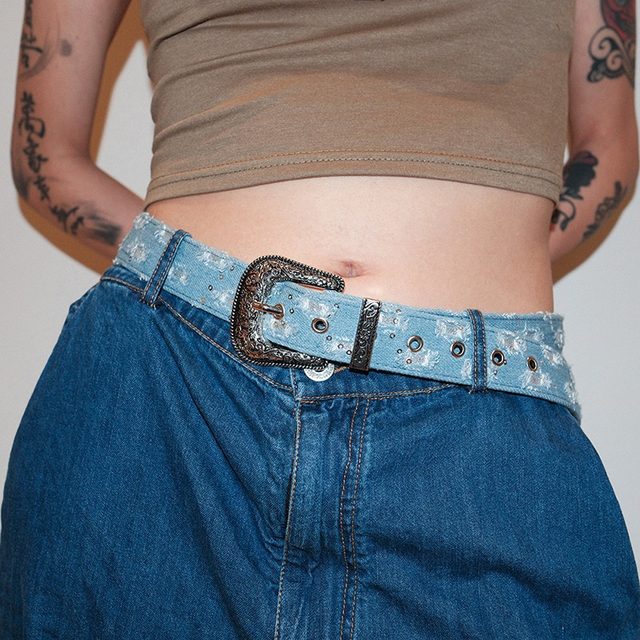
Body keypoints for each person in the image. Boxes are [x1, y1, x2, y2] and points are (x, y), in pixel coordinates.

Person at [2, 0, 639, 637]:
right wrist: (195, 279)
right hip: (171, 391)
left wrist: (466, 298)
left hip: (484, 414)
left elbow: (607, 144)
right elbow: (46, 155)